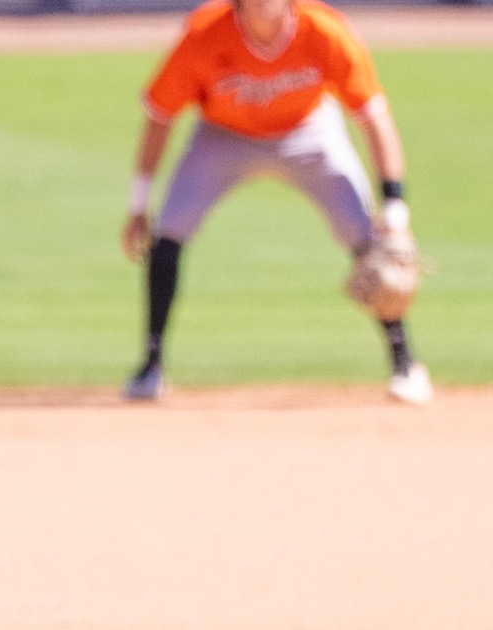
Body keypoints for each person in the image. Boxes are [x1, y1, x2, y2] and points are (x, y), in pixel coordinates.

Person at [120, 0, 429, 404]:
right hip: (223, 134)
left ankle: (405, 361)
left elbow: (374, 117)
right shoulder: (204, 34)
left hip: (309, 130)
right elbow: (160, 114)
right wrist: (139, 204)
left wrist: (395, 210)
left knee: (369, 239)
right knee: (169, 231)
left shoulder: (325, 30)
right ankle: (151, 366)